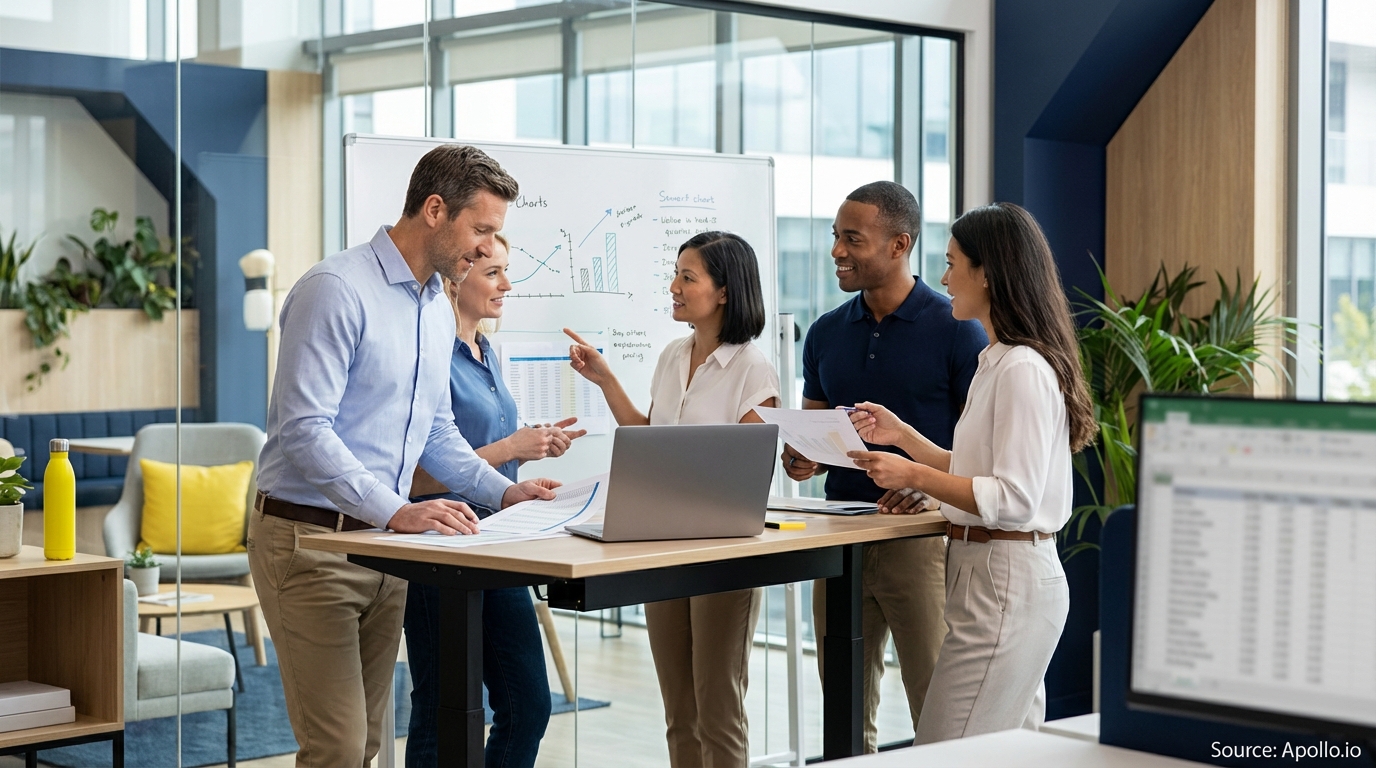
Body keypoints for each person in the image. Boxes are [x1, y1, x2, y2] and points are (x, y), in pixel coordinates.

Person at [249, 144, 560, 767]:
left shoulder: (434, 307)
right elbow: (305, 430)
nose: (487, 249)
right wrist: (396, 510)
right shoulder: (336, 289)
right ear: (435, 210)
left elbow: (437, 431)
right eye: (481, 231)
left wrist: (503, 491)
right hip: (311, 542)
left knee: (369, 744)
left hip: (386, 547)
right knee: (337, 750)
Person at [845, 202, 1096, 743]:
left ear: (988, 273)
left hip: (1003, 578)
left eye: (952, 263)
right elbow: (976, 468)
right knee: (1008, 750)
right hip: (994, 575)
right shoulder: (998, 359)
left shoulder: (1022, 368)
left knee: (944, 749)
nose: (943, 279)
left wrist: (911, 475)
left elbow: (1012, 498)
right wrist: (903, 437)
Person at [781, 181, 986, 750]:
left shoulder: (957, 329)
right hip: (839, 537)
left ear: (900, 245)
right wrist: (803, 459)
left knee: (936, 708)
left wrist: (932, 489)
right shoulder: (825, 332)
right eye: (835, 237)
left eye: (853, 239)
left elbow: (980, 450)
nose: (837, 251)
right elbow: (815, 432)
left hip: (921, 539)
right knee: (843, 711)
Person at [565, 231, 779, 767]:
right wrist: (605, 380)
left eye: (688, 277)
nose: (674, 287)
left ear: (724, 291)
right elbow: (649, 436)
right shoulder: (672, 356)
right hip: (662, 549)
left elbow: (750, 471)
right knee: (679, 711)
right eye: (675, 274)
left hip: (722, 557)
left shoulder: (752, 367)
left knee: (717, 708)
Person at [404, 234, 586, 768]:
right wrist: (511, 447)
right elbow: (410, 478)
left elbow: (481, 458)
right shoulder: (431, 355)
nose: (507, 284)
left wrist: (524, 461)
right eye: (493, 273)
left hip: (498, 542)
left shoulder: (487, 353)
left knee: (528, 705)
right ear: (456, 277)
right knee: (440, 708)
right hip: (441, 547)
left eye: (506, 271)